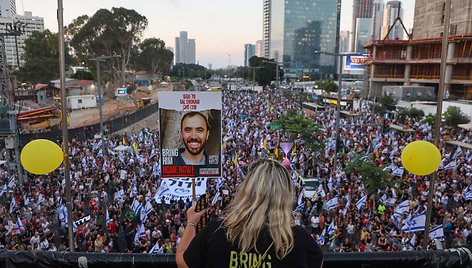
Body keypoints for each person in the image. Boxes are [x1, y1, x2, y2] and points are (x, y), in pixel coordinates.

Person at [176, 158, 323, 268]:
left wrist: (191, 222)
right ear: (285, 196)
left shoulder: (217, 230)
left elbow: (183, 262)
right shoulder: (299, 240)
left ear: (246, 190)